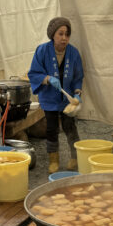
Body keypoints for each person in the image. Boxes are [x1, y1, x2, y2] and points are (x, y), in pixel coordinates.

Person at [28, 17, 84, 173]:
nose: (64, 38)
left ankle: (75, 157)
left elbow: (78, 77)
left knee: (70, 127)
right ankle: (54, 160)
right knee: (51, 128)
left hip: (67, 100)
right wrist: (47, 79)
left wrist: (77, 94)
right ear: (53, 35)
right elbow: (33, 73)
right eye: (60, 34)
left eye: (67, 34)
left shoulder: (73, 53)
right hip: (49, 98)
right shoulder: (42, 50)